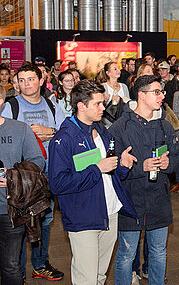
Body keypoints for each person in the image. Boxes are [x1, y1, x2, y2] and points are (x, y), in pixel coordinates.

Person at [48, 80, 138, 285]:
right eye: (97, 104)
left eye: (103, 102)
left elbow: (111, 172)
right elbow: (57, 184)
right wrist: (97, 169)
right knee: (86, 278)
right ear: (81, 106)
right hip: (84, 217)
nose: (103, 108)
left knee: (99, 275)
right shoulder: (64, 139)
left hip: (109, 211)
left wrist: (121, 165)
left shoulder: (101, 131)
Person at [110, 75, 179, 285]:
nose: (162, 96)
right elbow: (111, 165)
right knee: (126, 254)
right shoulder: (120, 127)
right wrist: (138, 167)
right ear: (141, 95)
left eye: (162, 92)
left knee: (159, 252)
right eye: (157, 92)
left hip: (159, 199)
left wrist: (166, 164)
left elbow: (178, 157)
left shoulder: (165, 126)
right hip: (131, 200)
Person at [1, 63, 66, 281]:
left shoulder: (51, 104)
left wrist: (51, 132)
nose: (26, 84)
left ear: (40, 81)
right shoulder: (11, 106)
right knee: (17, 223)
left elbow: (65, 133)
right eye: (21, 80)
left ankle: (39, 263)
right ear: (16, 85)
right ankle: (16, 270)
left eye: (30, 79)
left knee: (44, 221)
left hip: (46, 173)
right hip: (19, 180)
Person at [0, 87, 45, 285]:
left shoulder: (19, 129)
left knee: (10, 265)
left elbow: (38, 162)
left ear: (1, 99)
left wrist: (13, 177)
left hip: (12, 208)